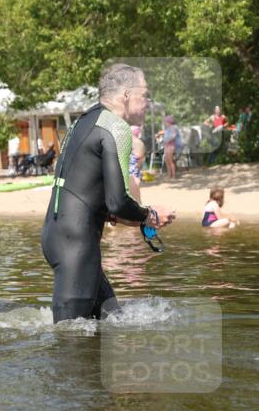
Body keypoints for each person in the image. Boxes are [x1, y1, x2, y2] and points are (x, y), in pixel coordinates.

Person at [41, 63, 175, 322]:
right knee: (70, 338)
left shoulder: (85, 120)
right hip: (77, 246)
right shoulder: (116, 128)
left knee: (112, 320)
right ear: (126, 94)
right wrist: (150, 215)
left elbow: (89, 192)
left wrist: (135, 217)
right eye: (144, 95)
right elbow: (117, 201)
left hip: (58, 236)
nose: (147, 103)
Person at [157, 115, 181, 180]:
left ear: (169, 122)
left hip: (171, 145)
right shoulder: (168, 129)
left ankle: (173, 176)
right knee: (167, 160)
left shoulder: (174, 127)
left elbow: (173, 136)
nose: (165, 123)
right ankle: (169, 175)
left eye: (165, 122)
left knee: (170, 161)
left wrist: (167, 141)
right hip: (166, 146)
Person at [129, 125, 145, 201]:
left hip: (132, 167)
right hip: (133, 167)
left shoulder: (135, 142)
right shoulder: (137, 142)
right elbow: (140, 157)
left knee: (133, 189)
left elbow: (139, 156)